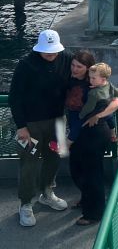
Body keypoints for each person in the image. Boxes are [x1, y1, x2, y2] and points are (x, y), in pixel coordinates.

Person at [9, 29, 72, 227]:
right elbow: (15, 98)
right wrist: (21, 126)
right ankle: (25, 203)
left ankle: (48, 191)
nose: (51, 55)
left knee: (54, 157)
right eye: (47, 51)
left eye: (54, 51)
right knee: (30, 161)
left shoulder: (66, 58)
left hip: (58, 122)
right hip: (31, 125)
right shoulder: (25, 65)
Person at [65, 52, 118, 211]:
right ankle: (87, 198)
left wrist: (70, 138)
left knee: (92, 173)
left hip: (93, 133)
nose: (74, 69)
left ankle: (94, 212)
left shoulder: (94, 88)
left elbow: (116, 102)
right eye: (73, 65)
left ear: (88, 68)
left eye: (79, 67)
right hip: (83, 133)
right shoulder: (86, 83)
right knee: (77, 170)